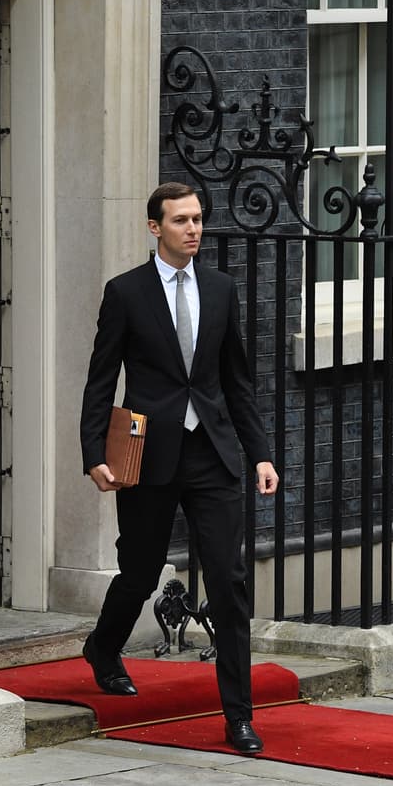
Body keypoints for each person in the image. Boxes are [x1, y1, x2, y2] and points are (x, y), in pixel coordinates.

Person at [79, 182, 280, 754]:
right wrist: (94, 452)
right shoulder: (126, 293)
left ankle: (238, 716)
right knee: (140, 572)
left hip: (212, 453)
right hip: (149, 454)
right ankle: (104, 646)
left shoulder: (220, 290)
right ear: (154, 228)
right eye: (181, 220)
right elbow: (101, 379)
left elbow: (236, 381)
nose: (193, 229)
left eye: (197, 219)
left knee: (229, 580)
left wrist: (260, 452)